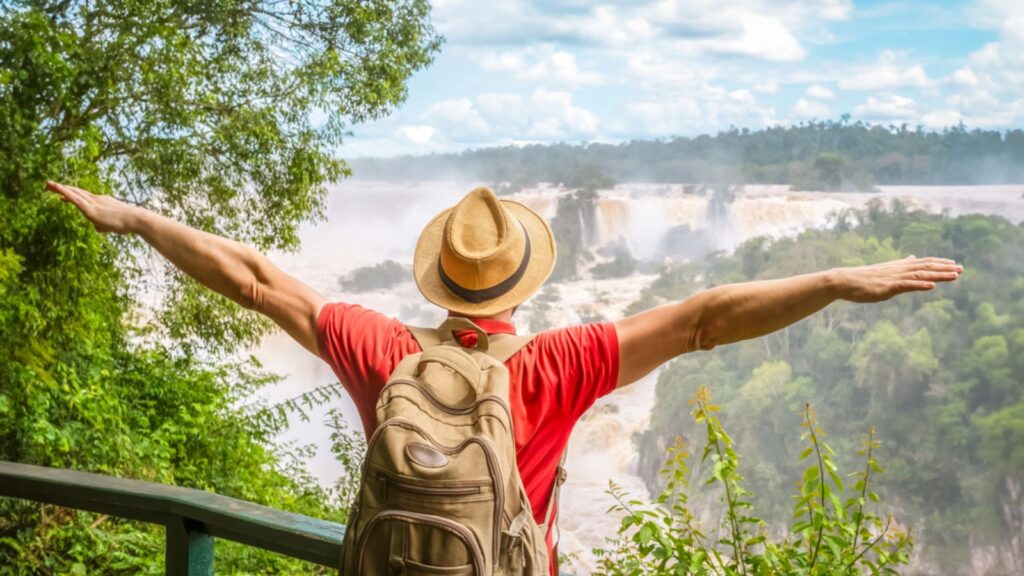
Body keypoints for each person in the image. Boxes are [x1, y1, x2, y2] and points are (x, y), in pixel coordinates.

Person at [46, 181, 962, 574]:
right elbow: (706, 316)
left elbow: (251, 279)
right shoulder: (558, 367)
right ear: (527, 281)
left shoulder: (379, 349)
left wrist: (134, 220)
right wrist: (843, 282)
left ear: (437, 283)